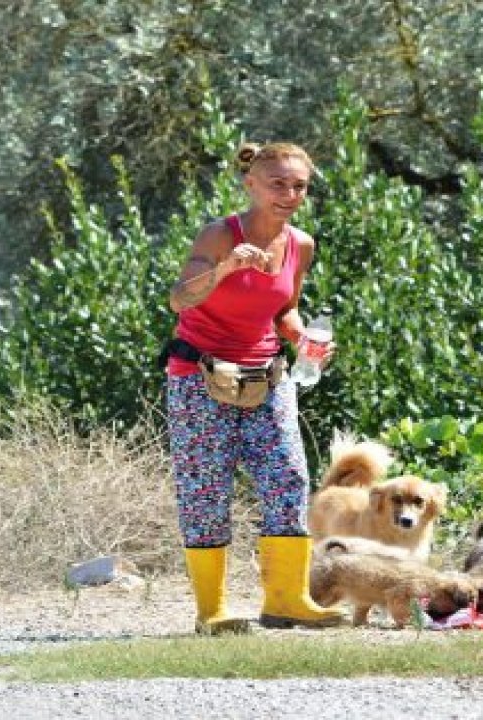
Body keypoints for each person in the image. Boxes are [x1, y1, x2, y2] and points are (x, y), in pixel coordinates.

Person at [163, 141, 344, 633]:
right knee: (206, 488)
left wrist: (302, 337)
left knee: (288, 477)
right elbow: (180, 300)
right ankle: (212, 612)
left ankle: (287, 600)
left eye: (299, 186)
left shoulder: (300, 244)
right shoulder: (220, 235)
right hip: (199, 377)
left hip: (267, 374)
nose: (289, 194)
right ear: (251, 185)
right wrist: (226, 270)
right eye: (277, 184)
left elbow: (284, 310)